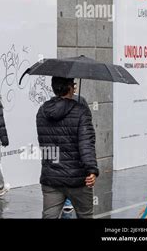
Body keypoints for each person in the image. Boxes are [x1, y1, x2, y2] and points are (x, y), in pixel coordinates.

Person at [37, 77, 99, 219]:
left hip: (51, 177)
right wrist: (91, 169)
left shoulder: (42, 111)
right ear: (71, 88)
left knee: (49, 216)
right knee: (85, 215)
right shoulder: (81, 111)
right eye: (73, 85)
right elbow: (86, 143)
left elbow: (44, 143)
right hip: (77, 179)